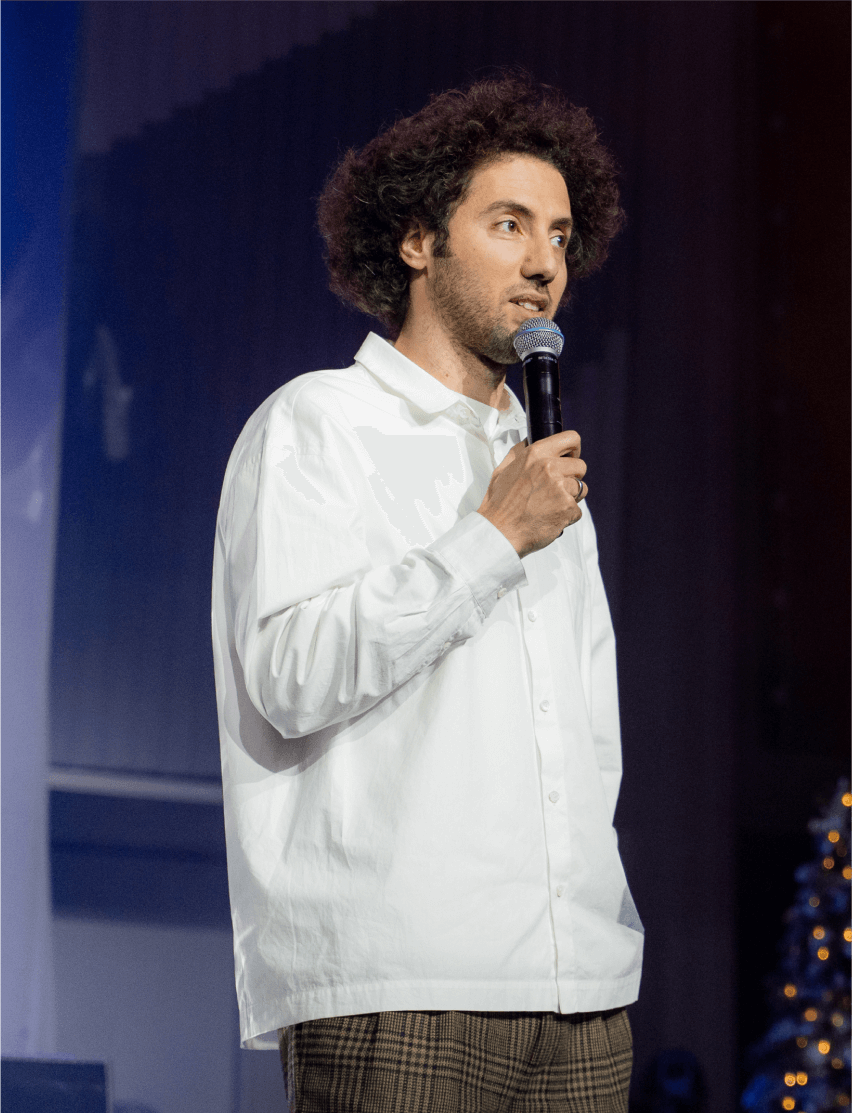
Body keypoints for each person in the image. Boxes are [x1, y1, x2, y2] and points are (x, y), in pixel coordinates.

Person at [212, 73, 643, 1113]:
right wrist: (491, 538)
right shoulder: (319, 423)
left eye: (560, 235)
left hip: (581, 988)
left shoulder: (544, 470)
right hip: (400, 977)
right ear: (417, 240)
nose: (545, 263)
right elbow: (291, 674)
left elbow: (591, 740)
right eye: (509, 224)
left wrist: (593, 922)